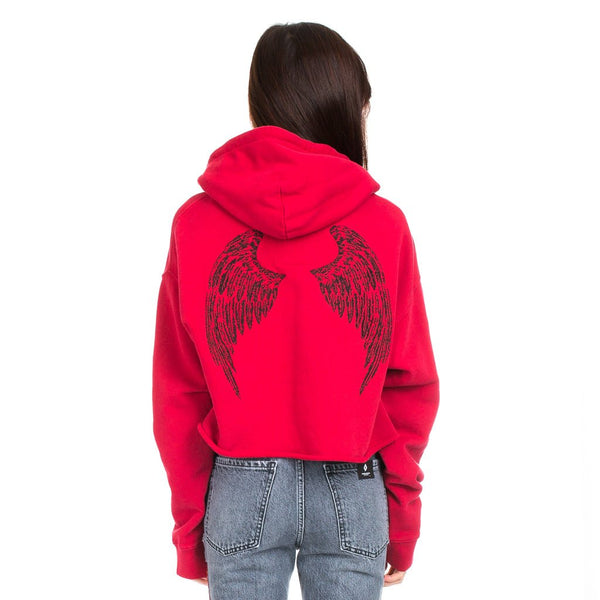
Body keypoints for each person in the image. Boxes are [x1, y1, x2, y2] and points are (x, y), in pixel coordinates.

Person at [152, 21, 440, 600]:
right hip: (352, 482)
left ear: (259, 104)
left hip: (241, 483)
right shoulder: (383, 226)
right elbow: (409, 385)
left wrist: (190, 531)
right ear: (346, 107)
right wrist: (403, 520)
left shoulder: (196, 223)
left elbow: (179, 391)